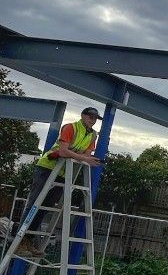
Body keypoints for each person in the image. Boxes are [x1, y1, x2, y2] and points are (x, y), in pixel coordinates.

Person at [15, 107, 102, 258]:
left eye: (95, 118)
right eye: (90, 117)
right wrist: (83, 157)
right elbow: (63, 151)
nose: (93, 120)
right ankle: (19, 241)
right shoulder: (71, 127)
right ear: (83, 116)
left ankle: (28, 240)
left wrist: (82, 157)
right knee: (35, 203)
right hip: (48, 167)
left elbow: (85, 154)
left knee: (46, 206)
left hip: (63, 172)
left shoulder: (93, 135)